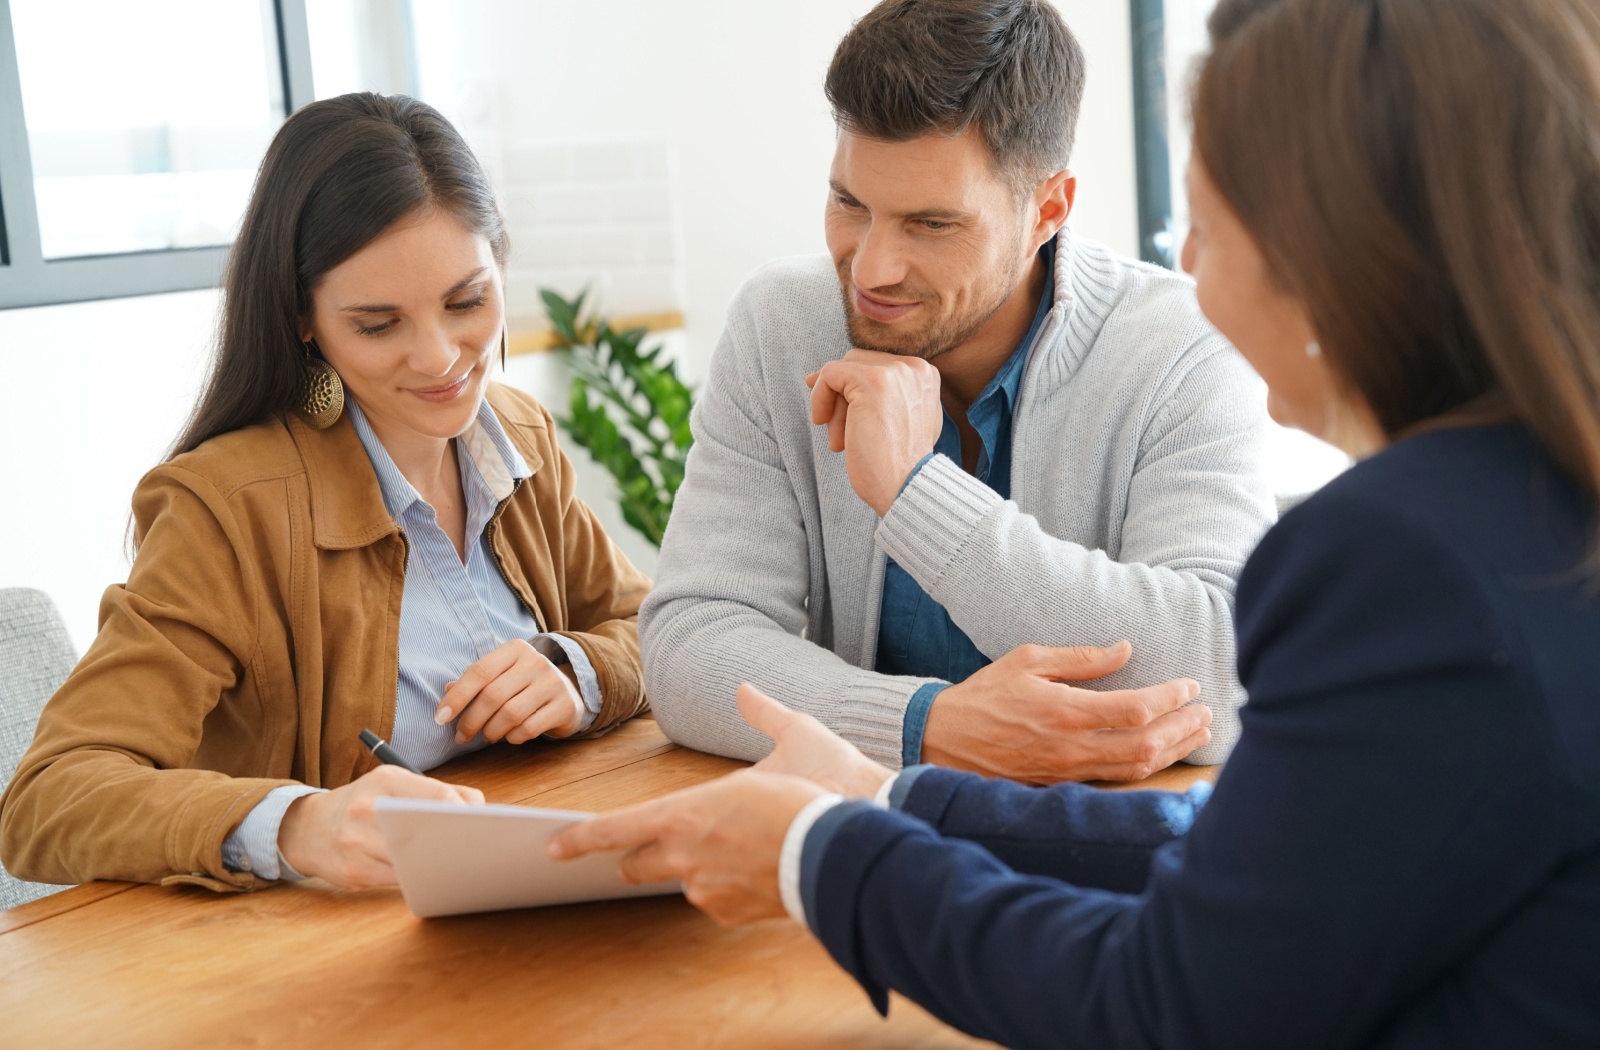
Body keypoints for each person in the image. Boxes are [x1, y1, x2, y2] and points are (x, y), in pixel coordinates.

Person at [551, 0, 1600, 1044]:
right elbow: (1280, 845)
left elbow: (1171, 986)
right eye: (848, 205)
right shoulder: (1534, 508)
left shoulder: (1402, 551)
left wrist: (819, 846)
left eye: (1211, 222)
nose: (1187, 261)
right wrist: (910, 771)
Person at [0, 94, 650, 892]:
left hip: (536, 885)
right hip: (317, 957)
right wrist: (299, 822)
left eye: (467, 301)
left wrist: (576, 669)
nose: (440, 357)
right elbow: (49, 799)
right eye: (378, 325)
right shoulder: (228, 508)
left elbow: (656, 627)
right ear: (305, 319)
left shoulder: (516, 436)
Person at [642, 0, 1274, 784]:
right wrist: (923, 728)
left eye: (931, 224)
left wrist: (915, 495)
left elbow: (1222, 667)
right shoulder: (781, 323)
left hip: (1100, 863)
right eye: (850, 203)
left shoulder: (1183, 345)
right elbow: (691, 644)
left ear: (1048, 209)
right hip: (859, 843)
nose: (870, 269)